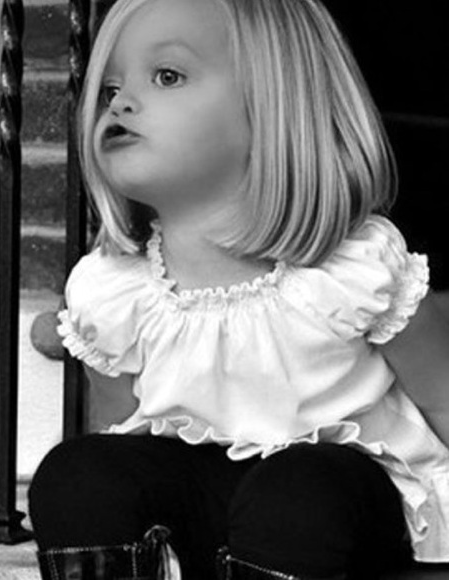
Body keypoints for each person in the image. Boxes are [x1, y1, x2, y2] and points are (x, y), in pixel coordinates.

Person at [28, 0, 449, 578]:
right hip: (206, 506)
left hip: (338, 505)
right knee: (79, 472)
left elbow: (442, 399)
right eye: (110, 89)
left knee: (296, 491)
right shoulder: (111, 289)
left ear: (275, 105)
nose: (119, 103)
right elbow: (116, 431)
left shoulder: (353, 269)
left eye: (167, 76)